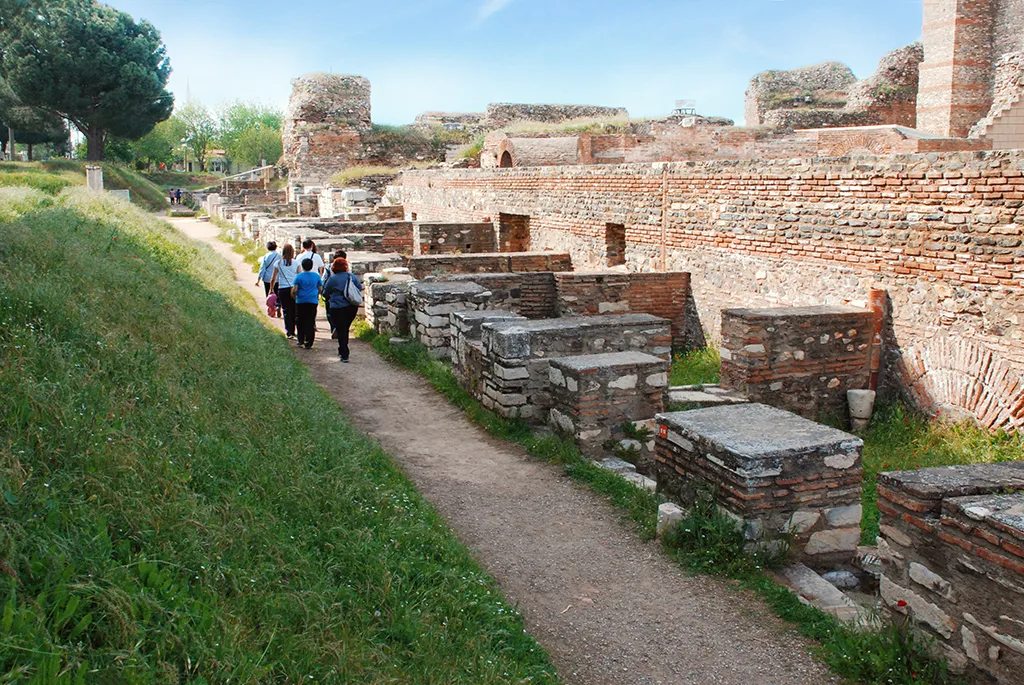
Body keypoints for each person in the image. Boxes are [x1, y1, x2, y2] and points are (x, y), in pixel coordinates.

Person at [322, 257, 363, 363]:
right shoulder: (352, 277)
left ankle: (344, 352)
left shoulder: (332, 279)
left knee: (341, 329)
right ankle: (343, 350)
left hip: (337, 307)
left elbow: (325, 292)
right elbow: (359, 287)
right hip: (351, 307)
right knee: (345, 328)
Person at [292, 258, 323, 349]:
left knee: (300, 320)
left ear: (302, 266)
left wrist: (295, 296)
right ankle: (309, 341)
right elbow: (320, 289)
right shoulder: (316, 276)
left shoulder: (299, 276)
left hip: (301, 301)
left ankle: (300, 339)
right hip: (312, 301)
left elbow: (295, 289)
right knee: (310, 320)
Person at [270, 244, 299, 338]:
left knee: (286, 310)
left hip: (282, 288)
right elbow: (299, 276)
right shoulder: (296, 263)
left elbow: (273, 278)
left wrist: (271, 288)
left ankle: (288, 331)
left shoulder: (278, 263)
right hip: (293, 288)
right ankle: (294, 329)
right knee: (294, 309)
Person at [322, 249, 347, 336]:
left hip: (331, 294)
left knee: (330, 313)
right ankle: (341, 329)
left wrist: (324, 293)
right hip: (345, 294)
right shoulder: (347, 269)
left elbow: (324, 280)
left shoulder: (329, 267)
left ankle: (334, 327)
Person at [256, 241, 282, 316]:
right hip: (277, 278)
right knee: (277, 293)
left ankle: (271, 309)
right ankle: (278, 305)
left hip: (267, 278)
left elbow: (262, 269)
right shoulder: (279, 256)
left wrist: (258, 279)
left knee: (269, 293)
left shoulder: (266, 256)